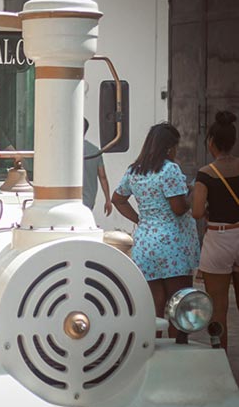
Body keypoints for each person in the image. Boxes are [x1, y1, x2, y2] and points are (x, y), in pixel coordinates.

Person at [112, 122, 200, 338]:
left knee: (154, 307)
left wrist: (140, 219)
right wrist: (192, 194)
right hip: (173, 246)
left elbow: (118, 199)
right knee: (179, 306)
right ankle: (177, 352)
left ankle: (154, 352)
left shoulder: (135, 170)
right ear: (169, 147)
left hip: (146, 243)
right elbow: (178, 208)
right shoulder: (169, 169)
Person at [192, 111, 239, 350]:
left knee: (218, 307)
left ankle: (220, 357)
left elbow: (197, 212)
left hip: (218, 240)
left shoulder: (206, 173)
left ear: (211, 142)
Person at [83, 118, 112, 215]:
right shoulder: (95, 151)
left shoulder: (64, 149)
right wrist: (108, 199)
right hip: (88, 199)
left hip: (66, 199)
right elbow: (102, 177)